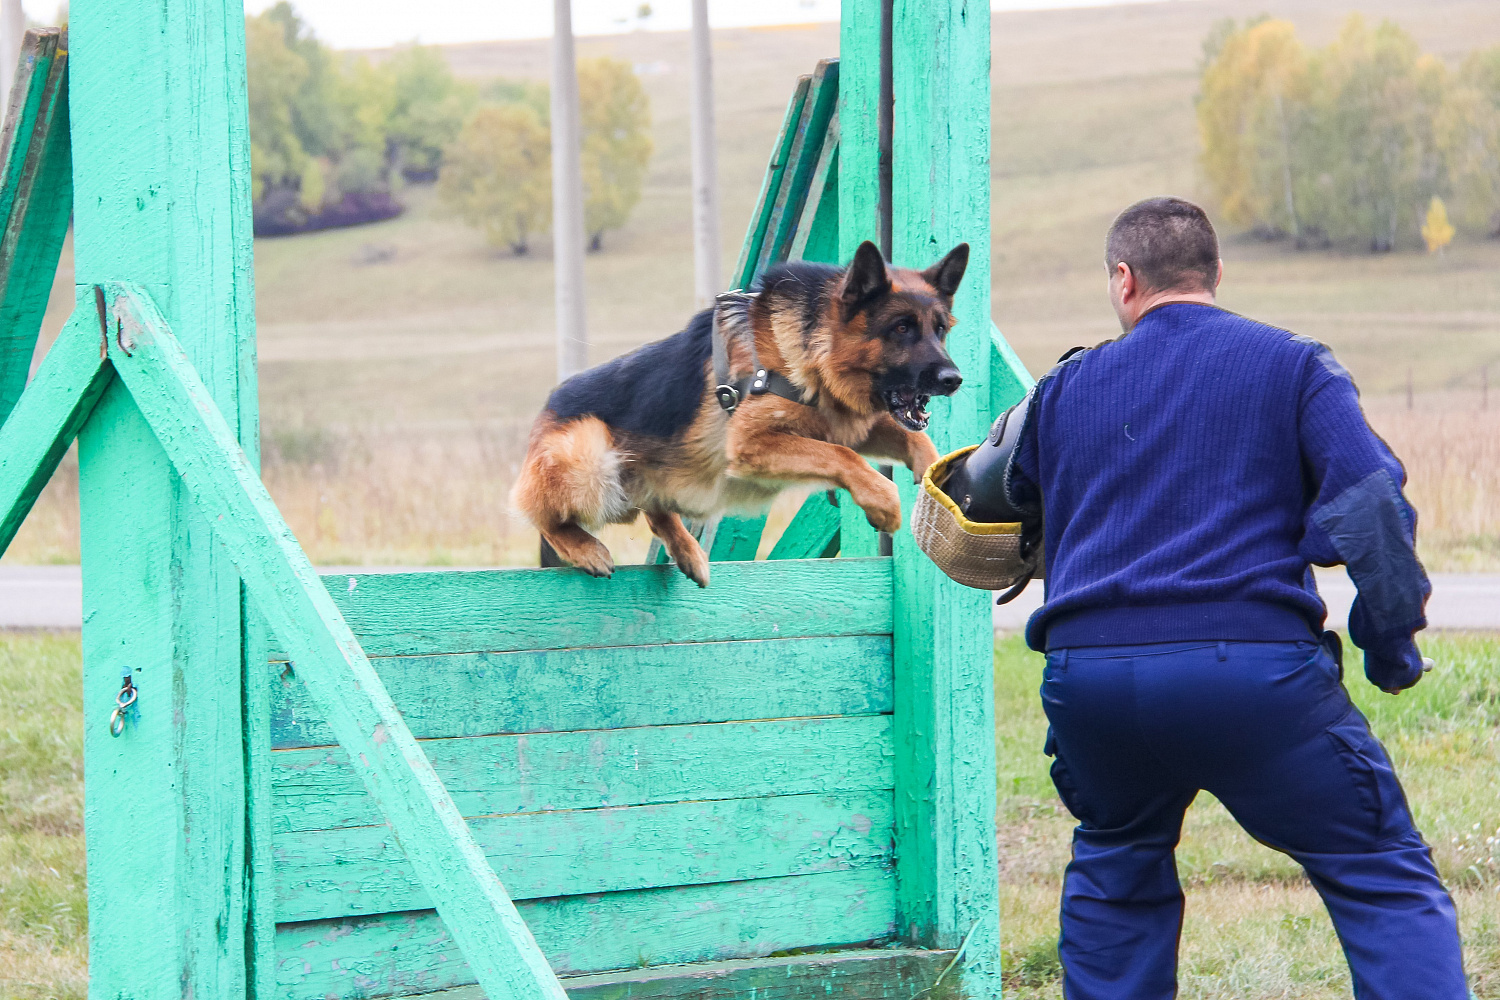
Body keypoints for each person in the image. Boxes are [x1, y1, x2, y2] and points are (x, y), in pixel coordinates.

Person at [1003, 197, 1468, 999]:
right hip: (1251, 677)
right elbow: (1369, 507)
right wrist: (1388, 644)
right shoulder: (1292, 365)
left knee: (1116, 862)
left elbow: (1008, 515)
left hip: (1093, 687)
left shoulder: (1062, 389)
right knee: (1379, 871)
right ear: (1216, 273)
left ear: (1124, 280)